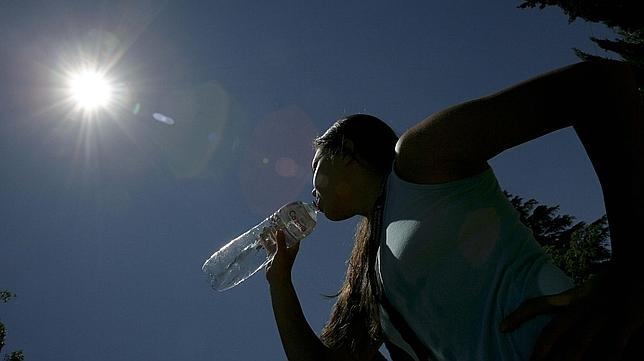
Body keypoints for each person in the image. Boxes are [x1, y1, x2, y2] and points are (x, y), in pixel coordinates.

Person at [265, 59, 644, 361]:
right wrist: (279, 282)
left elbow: (598, 84)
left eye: (316, 166)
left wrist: (631, 272)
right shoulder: (369, 273)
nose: (311, 186)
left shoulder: (420, 160)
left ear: (346, 152)